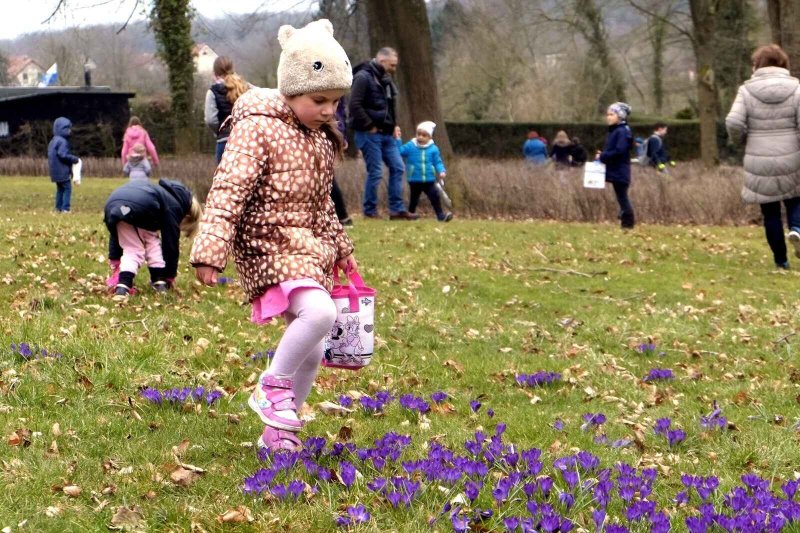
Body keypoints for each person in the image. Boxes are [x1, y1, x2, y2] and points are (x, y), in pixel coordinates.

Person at [190, 19, 357, 452]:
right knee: (320, 314)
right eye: (319, 99)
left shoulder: (320, 140)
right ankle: (272, 386)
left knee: (315, 350)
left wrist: (341, 248)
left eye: (336, 102)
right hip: (268, 245)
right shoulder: (257, 126)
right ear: (291, 89)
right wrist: (211, 248)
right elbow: (229, 188)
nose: (328, 111)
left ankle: (278, 433)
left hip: (308, 248)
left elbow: (322, 205)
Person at [726, 44, 800, 270]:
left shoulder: (746, 90)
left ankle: (781, 261)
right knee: (796, 199)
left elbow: (733, 122)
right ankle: (797, 229)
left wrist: (742, 141)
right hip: (792, 155)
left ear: (758, 64)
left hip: (758, 157)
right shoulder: (796, 87)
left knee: (770, 213)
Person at [349, 47, 416, 220]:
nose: (394, 68)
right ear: (382, 61)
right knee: (376, 172)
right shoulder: (363, 77)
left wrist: (394, 125)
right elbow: (355, 105)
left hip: (387, 134)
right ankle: (370, 212)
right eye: (392, 65)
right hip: (369, 134)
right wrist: (370, 125)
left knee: (398, 167)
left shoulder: (386, 79)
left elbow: (389, 106)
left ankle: (397, 210)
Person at [105, 179, 201, 296]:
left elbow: (116, 234)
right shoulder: (173, 206)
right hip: (141, 208)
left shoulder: (158, 194)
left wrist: (115, 259)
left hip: (113, 203)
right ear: (185, 216)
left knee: (151, 242)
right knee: (135, 250)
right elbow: (170, 245)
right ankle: (125, 285)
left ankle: (158, 280)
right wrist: (170, 276)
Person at [395, 121, 453, 222]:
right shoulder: (411, 146)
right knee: (414, 199)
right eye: (419, 134)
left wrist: (441, 171)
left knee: (435, 196)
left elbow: (437, 162)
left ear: (429, 137)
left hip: (429, 179)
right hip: (414, 179)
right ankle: (411, 214)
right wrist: (397, 139)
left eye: (424, 135)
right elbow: (399, 151)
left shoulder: (433, 149)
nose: (420, 137)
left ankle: (440, 216)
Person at [204, 56, 250, 164]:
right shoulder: (245, 86)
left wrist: (220, 130)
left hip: (225, 142)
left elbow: (211, 120)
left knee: (225, 180)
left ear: (215, 72)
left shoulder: (212, 91)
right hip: (246, 140)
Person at [597, 102, 635, 229]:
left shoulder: (621, 131)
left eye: (612, 114)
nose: (608, 117)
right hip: (618, 169)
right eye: (608, 114)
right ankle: (624, 218)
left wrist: (603, 156)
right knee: (621, 196)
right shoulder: (618, 131)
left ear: (620, 116)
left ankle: (628, 223)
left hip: (620, 170)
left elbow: (619, 150)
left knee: (622, 197)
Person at [47, 117, 80, 213]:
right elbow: (63, 155)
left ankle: (58, 208)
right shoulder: (62, 141)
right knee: (67, 189)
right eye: (68, 129)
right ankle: (65, 208)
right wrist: (74, 159)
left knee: (60, 190)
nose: (70, 131)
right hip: (62, 171)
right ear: (63, 129)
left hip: (55, 171)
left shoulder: (53, 141)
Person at [331, 98, 353, 226]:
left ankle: (342, 216)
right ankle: (342, 216)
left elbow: (341, 114)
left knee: (328, 177)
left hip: (333, 132)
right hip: (327, 131)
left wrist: (341, 136)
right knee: (327, 178)